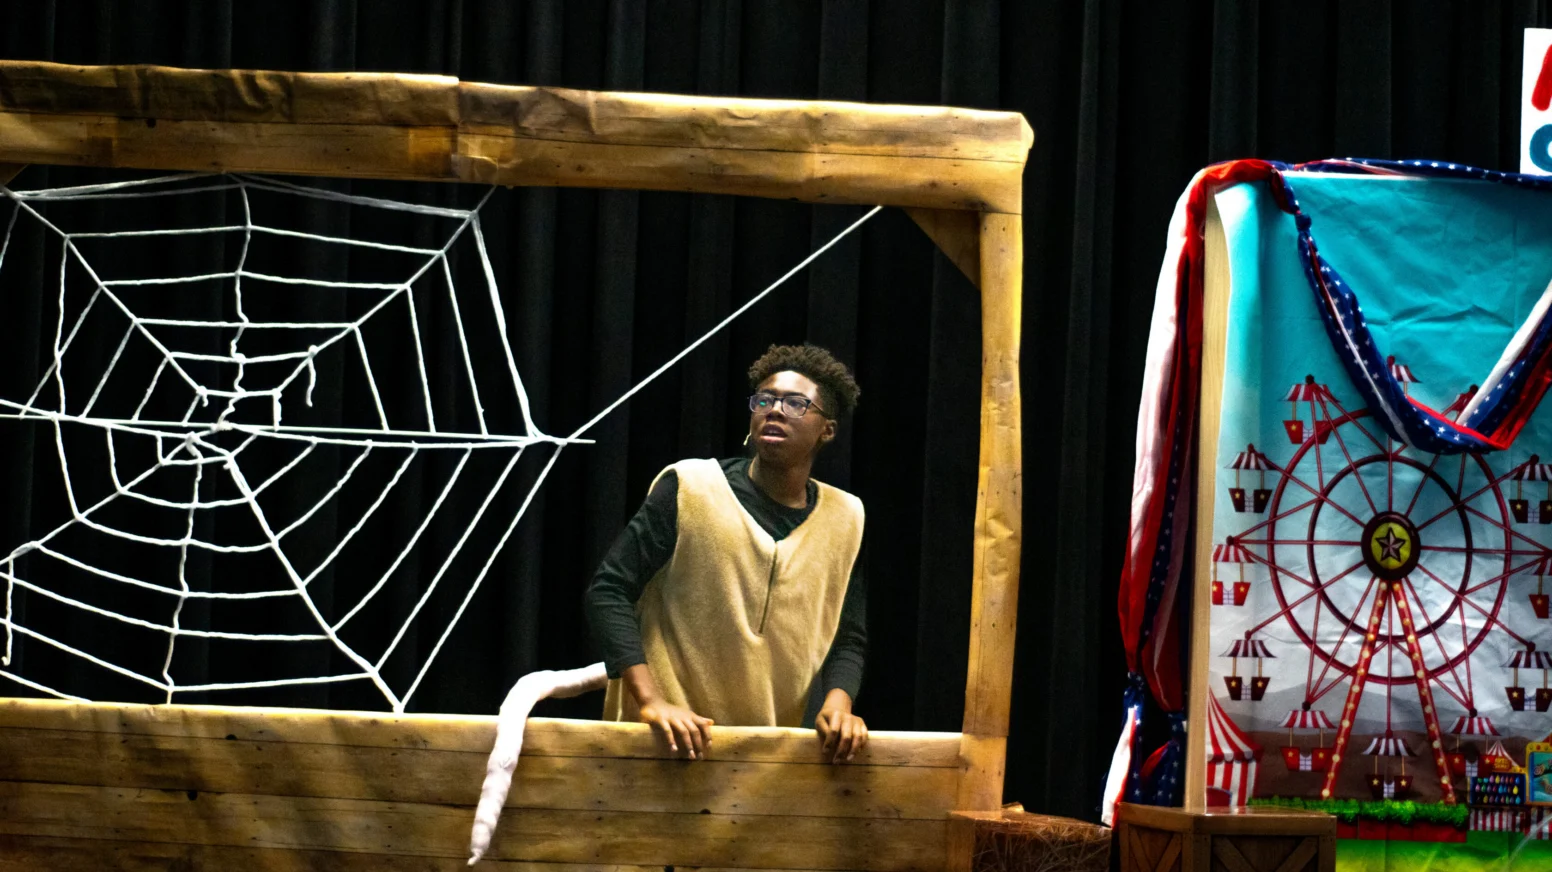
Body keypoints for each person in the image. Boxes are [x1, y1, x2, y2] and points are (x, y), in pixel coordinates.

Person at [585, 344, 869, 764]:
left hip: (761, 759)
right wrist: (650, 701)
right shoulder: (691, 487)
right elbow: (608, 590)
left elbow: (850, 636)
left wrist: (839, 704)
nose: (775, 410)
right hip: (660, 741)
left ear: (826, 429)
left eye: (795, 403)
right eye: (765, 399)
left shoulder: (845, 517)